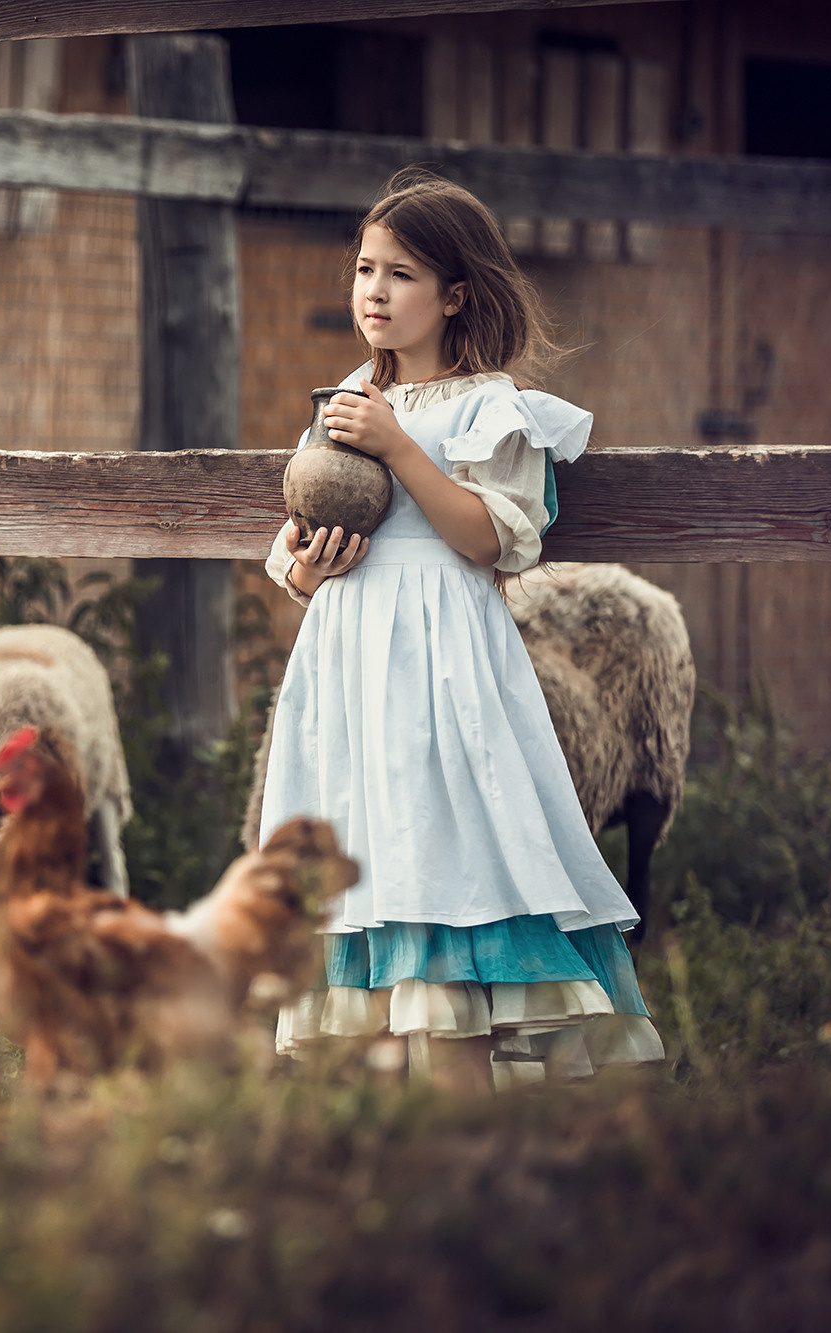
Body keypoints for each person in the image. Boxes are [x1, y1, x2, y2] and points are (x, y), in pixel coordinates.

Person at [258, 169, 664, 1092]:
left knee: (449, 867)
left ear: (454, 294)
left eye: (401, 274)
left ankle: (465, 1140)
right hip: (351, 666)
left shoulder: (490, 407)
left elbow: (491, 541)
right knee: (369, 874)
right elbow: (300, 537)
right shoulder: (345, 398)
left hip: (441, 671)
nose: (374, 290)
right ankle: (406, 1167)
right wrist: (306, 566)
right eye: (365, 269)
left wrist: (400, 444)